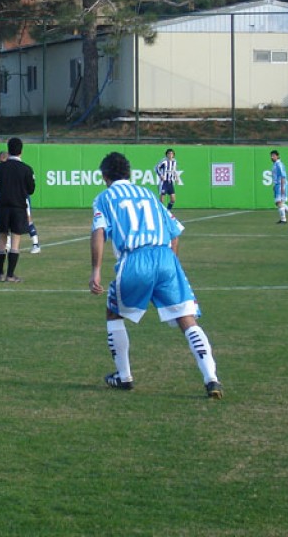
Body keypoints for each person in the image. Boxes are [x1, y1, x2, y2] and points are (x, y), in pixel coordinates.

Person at [89, 151, 223, 399]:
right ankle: (211, 378)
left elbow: (98, 232)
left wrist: (95, 271)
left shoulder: (104, 198)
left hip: (135, 259)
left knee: (114, 312)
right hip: (165, 257)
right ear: (129, 173)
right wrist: (171, 265)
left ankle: (124, 376)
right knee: (186, 318)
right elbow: (175, 232)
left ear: (105, 176)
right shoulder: (148, 194)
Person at [0, 137, 36, 283]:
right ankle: (10, 275)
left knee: (2, 239)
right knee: (15, 240)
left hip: (3, 207)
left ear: (8, 150)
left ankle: (0, 274)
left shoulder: (0, 167)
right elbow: (31, 189)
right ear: (21, 151)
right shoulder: (26, 169)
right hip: (18, 208)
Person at [270, 150, 288, 224]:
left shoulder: (279, 164)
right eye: (271, 156)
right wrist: (274, 185)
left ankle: (283, 220)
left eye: (273, 155)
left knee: (279, 202)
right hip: (277, 185)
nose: (272, 157)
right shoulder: (275, 164)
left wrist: (282, 187)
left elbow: (283, 176)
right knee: (278, 203)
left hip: (281, 185)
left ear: (277, 156)